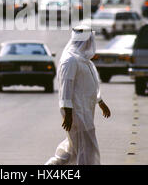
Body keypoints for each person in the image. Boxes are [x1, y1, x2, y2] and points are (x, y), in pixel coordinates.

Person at [45, 25, 111, 165]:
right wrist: (68, 113)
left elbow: (91, 84)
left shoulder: (84, 60)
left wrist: (100, 101)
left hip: (85, 110)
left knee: (72, 150)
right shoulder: (70, 60)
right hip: (76, 112)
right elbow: (66, 87)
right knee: (86, 148)